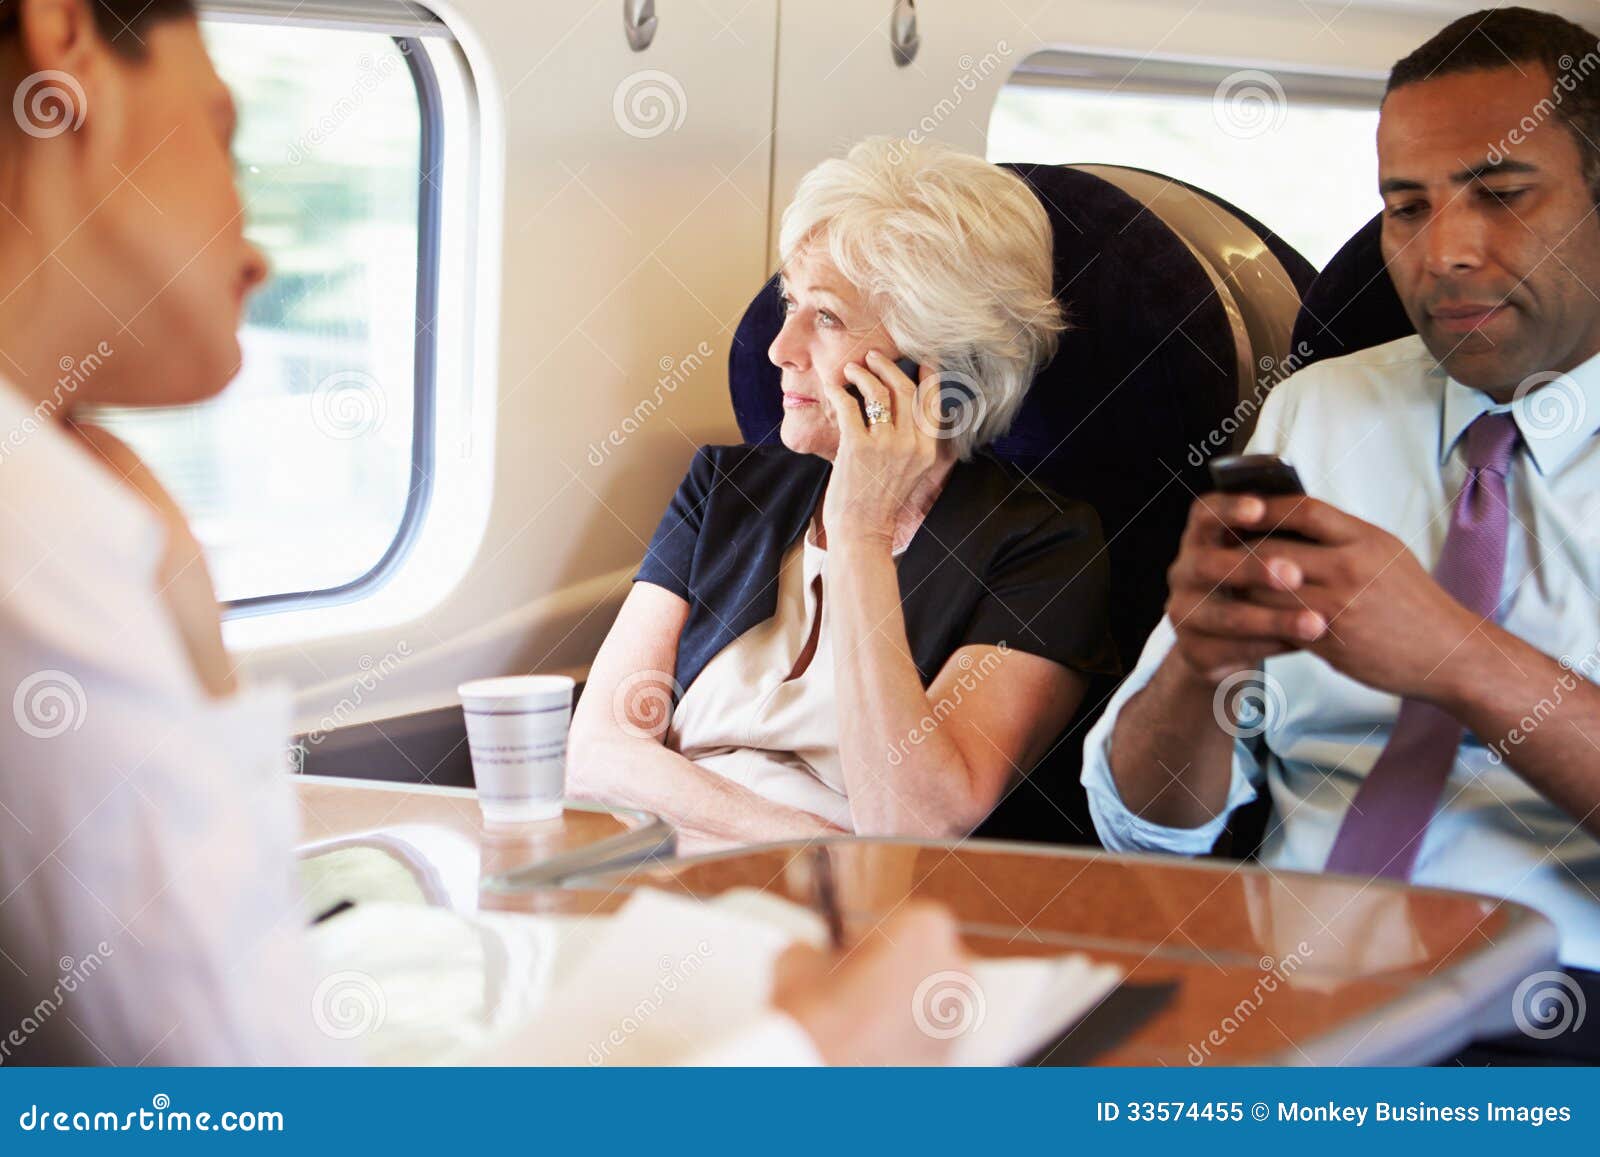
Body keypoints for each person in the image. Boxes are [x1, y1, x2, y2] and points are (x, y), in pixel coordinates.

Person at [0, 0, 970, 1066]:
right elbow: (230, 1095)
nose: (259, 253)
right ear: (61, 38)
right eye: (224, 133)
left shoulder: (74, 507)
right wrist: (816, 1041)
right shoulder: (41, 536)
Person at [1081, 6, 1600, 1060]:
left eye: (1501, 193)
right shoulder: (1317, 410)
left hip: (1554, 1000)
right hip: (1271, 975)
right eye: (1404, 207)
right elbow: (1147, 827)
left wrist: (1455, 658)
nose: (1443, 250)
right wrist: (1196, 665)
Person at [569, 138, 1118, 850]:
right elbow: (594, 756)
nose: (778, 348)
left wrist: (860, 531)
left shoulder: (1046, 548)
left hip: (856, 924)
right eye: (791, 303)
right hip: (658, 874)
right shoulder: (726, 488)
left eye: (825, 317)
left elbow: (913, 823)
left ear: (935, 358)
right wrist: (805, 837)